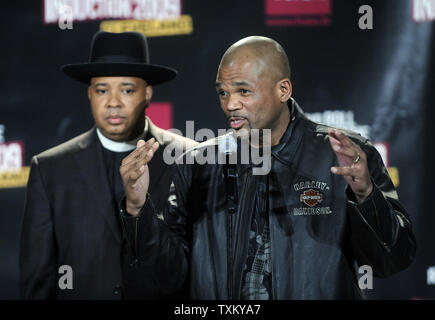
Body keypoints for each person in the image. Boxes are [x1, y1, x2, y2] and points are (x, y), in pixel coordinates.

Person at [119, 36, 416, 299]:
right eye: (223, 92)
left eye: (243, 91)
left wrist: (365, 195)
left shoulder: (344, 154)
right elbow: (169, 277)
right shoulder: (198, 163)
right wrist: (137, 209)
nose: (230, 104)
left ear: (283, 90)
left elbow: (393, 261)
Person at [19, 31, 197, 299]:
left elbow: (203, 272)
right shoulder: (50, 169)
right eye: (102, 90)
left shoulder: (189, 157)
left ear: (147, 93)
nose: (113, 102)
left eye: (127, 90)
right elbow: (38, 281)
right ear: (90, 93)